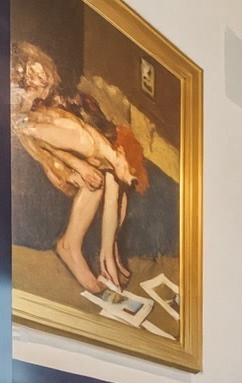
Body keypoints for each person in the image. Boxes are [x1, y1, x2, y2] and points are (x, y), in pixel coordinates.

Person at [10, 42, 143, 296]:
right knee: (102, 180)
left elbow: (79, 131)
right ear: (23, 81)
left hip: (83, 153)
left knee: (116, 184)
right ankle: (73, 246)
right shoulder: (25, 118)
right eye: (33, 77)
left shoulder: (49, 103)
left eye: (42, 72)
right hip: (60, 165)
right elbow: (45, 148)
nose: (41, 78)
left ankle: (109, 256)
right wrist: (78, 166)